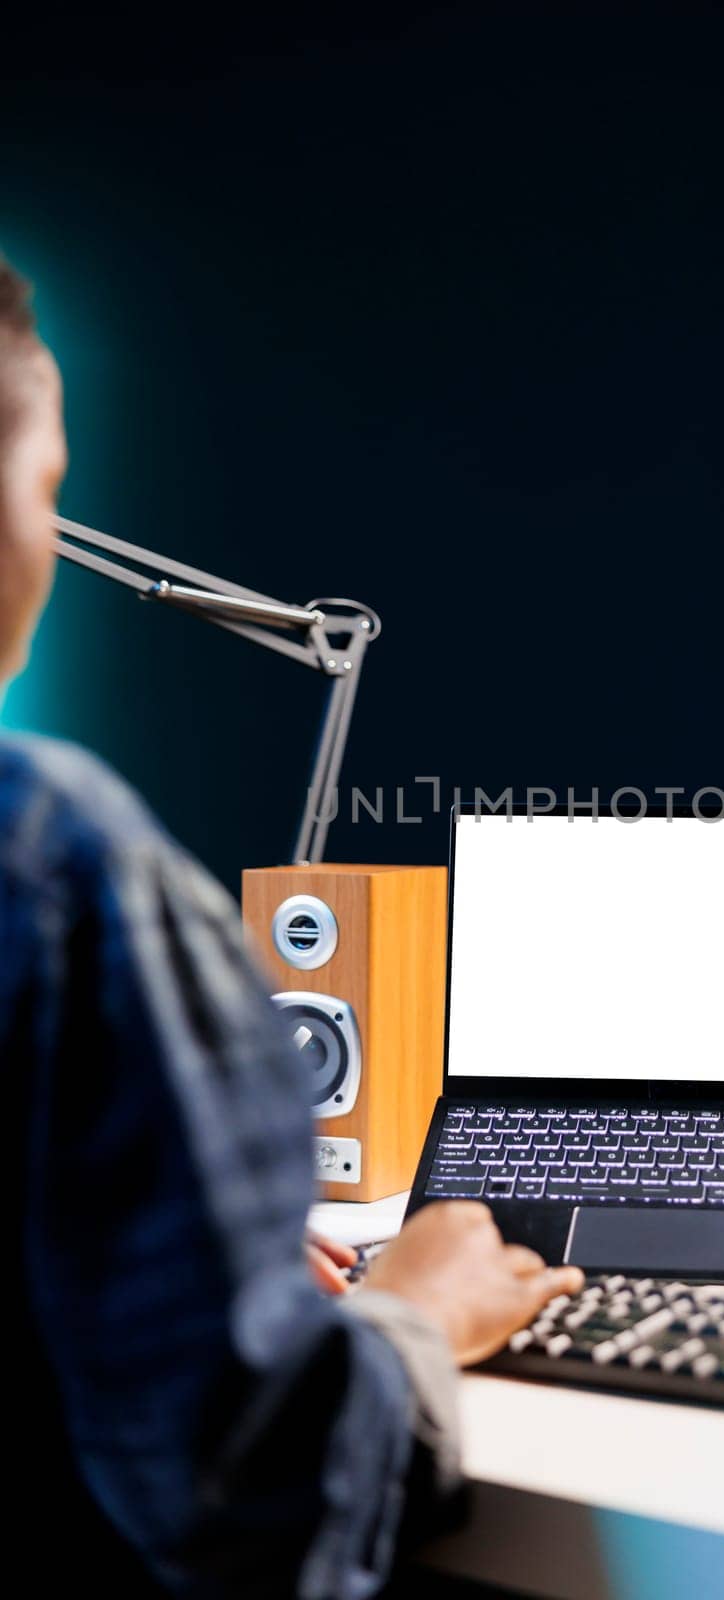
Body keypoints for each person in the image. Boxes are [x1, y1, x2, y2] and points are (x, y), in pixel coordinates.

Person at [1, 254, 583, 1597]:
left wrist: (184, 1254)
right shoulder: (48, 852)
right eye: (48, 493)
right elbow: (250, 1497)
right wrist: (415, 1312)